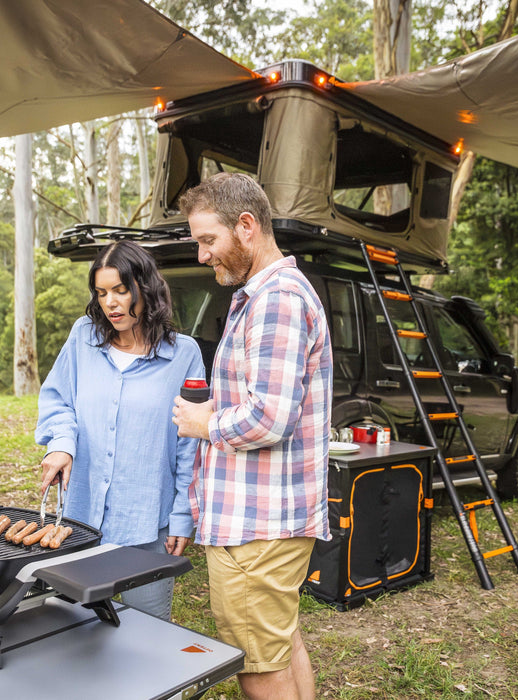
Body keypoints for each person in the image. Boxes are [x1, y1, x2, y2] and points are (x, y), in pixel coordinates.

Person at [172, 172, 332, 700]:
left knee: (258, 663)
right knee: (280, 642)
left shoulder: (276, 300)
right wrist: (221, 406)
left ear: (246, 227)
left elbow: (268, 419)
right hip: (267, 518)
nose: (201, 255)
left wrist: (203, 423)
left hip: (257, 526)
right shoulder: (262, 294)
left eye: (207, 240)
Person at [35, 240, 204, 620]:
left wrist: (181, 518)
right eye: (101, 293)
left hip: (146, 524)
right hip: (80, 522)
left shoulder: (185, 354)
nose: (110, 303)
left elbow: (189, 447)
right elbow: (58, 398)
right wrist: (61, 443)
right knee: (73, 628)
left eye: (121, 290)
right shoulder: (83, 337)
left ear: (145, 288)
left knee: (148, 631)